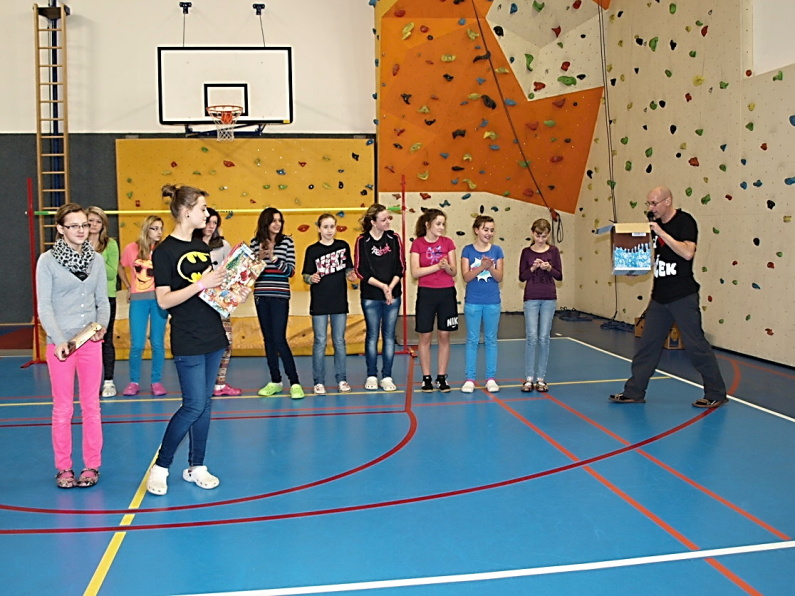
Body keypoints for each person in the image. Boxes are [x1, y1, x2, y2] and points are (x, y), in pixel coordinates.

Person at [146, 184, 231, 495]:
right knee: (193, 405)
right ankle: (161, 466)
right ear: (185, 212)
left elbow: (210, 292)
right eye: (202, 209)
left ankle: (197, 465)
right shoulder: (164, 252)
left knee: (204, 405)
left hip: (213, 334)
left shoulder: (201, 247)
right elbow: (164, 300)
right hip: (188, 337)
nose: (207, 214)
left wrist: (229, 283)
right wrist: (201, 284)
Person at [610, 186, 728, 408]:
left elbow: (687, 252)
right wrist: (634, 268)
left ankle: (716, 393)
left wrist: (661, 232)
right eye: (648, 203)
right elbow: (657, 259)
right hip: (660, 297)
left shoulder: (685, 221)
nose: (651, 208)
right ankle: (634, 392)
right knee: (647, 346)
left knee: (696, 346)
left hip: (682, 296)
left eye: (654, 203)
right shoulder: (655, 226)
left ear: (667, 201)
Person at [37, 203, 109, 488]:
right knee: (63, 408)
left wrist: (100, 327)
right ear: (60, 229)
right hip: (61, 345)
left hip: (90, 342)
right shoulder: (47, 261)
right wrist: (57, 341)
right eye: (74, 226)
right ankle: (64, 468)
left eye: (84, 225)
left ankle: (92, 465)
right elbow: (44, 306)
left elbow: (102, 301)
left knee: (91, 406)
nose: (81, 230)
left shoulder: (97, 260)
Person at [251, 207, 304, 400]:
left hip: (280, 296)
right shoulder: (255, 243)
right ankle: (275, 380)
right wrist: (258, 259)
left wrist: (273, 257)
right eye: (273, 220)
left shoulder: (287, 242)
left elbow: (290, 271)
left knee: (279, 338)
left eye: (279, 220)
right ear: (265, 222)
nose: (277, 224)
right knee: (268, 340)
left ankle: (295, 382)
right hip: (261, 295)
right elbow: (250, 273)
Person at [302, 213, 357, 395]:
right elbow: (305, 275)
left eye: (332, 226)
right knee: (320, 341)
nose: (329, 230)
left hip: (339, 301)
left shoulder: (343, 246)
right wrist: (311, 278)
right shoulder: (312, 250)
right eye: (325, 227)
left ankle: (341, 379)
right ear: (319, 229)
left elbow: (349, 270)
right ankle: (318, 381)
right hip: (319, 302)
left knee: (339, 341)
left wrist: (352, 276)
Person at [354, 204, 405, 392]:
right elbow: (360, 270)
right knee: (372, 335)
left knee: (389, 335)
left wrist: (390, 287)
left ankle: (387, 375)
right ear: (373, 222)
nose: (388, 222)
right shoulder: (362, 241)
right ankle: (372, 374)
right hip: (371, 295)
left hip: (392, 295)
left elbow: (401, 266)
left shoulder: (394, 238)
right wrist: (382, 286)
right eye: (383, 219)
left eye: (388, 218)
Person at [119, 214, 168, 396]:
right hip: (138, 300)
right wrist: (128, 287)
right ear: (146, 230)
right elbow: (120, 266)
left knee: (157, 342)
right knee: (137, 344)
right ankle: (134, 381)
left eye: (160, 229)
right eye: (154, 228)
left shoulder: (164, 250)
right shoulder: (132, 248)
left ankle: (156, 381)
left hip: (158, 300)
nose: (159, 232)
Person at [410, 208, 458, 392]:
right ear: (427, 224)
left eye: (443, 224)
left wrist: (446, 267)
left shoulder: (448, 243)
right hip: (427, 293)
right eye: (438, 224)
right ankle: (426, 377)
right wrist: (437, 266)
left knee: (444, 335)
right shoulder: (418, 244)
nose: (441, 227)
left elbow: (454, 271)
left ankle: (442, 376)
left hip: (446, 293)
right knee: (425, 335)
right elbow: (415, 272)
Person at [194, 207, 241, 397]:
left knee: (226, 342)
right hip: (198, 301)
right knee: (202, 343)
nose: (211, 226)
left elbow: (231, 271)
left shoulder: (223, 245)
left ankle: (219, 384)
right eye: (208, 222)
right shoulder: (191, 245)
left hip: (220, 300)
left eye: (215, 223)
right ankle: (202, 383)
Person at [460, 215, 504, 393]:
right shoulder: (467, 250)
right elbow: (466, 276)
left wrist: (490, 267)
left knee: (491, 339)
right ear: (476, 230)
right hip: (473, 302)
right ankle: (470, 378)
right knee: (472, 339)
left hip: (492, 302)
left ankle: (490, 378)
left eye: (492, 230)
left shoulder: (497, 250)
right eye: (486, 229)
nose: (489, 233)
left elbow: (499, 277)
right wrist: (481, 267)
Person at [519, 218, 562, 393]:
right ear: (532, 233)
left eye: (544, 236)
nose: (540, 239)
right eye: (538, 236)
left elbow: (559, 275)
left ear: (548, 235)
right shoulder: (526, 252)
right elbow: (522, 276)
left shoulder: (553, 251)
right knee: (532, 337)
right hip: (531, 297)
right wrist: (532, 269)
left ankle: (541, 378)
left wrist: (549, 268)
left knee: (544, 337)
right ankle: (529, 378)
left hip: (548, 297)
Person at [87, 206, 120, 398]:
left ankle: (109, 381)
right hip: (84, 299)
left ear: (103, 225)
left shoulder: (110, 244)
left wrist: (93, 255)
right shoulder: (78, 242)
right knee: (85, 342)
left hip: (106, 298)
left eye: (98, 222)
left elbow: (111, 274)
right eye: (90, 220)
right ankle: (89, 383)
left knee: (105, 340)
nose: (93, 225)